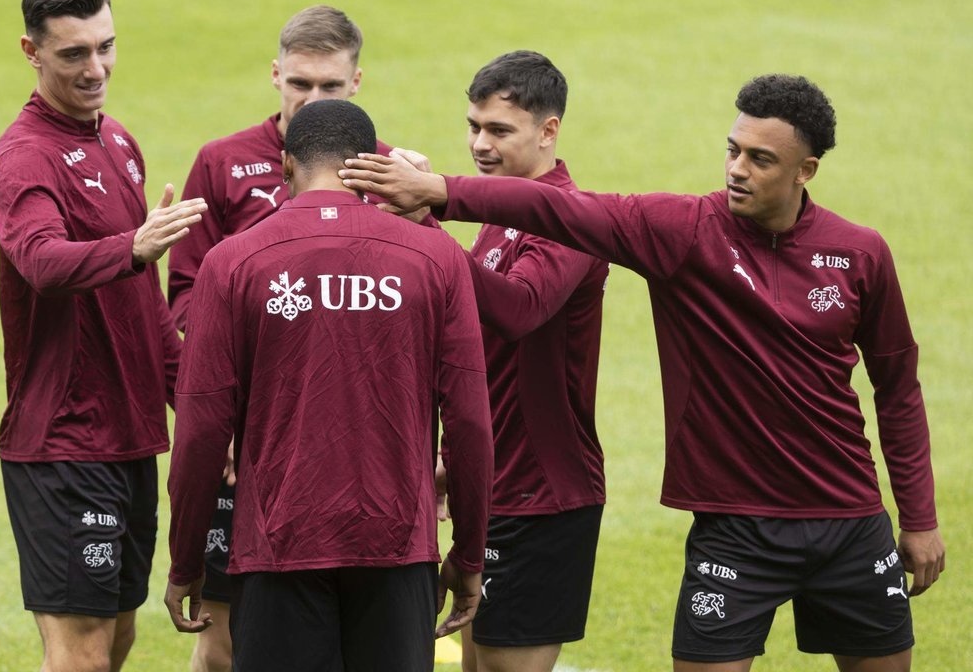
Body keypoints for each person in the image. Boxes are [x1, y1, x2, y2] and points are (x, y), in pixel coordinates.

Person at [340, 74, 946, 672]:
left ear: (805, 170)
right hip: (735, 527)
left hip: (849, 519)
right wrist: (441, 191)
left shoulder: (861, 254)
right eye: (732, 150)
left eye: (761, 160)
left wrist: (918, 519)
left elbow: (897, 390)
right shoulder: (684, 232)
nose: (737, 169)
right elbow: (560, 207)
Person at [164, 99, 494, 672]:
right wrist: (467, 553)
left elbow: (200, 431)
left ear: (286, 167)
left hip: (274, 549)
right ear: (368, 166)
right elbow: (468, 420)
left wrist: (185, 560)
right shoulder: (438, 257)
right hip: (397, 548)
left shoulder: (231, 263)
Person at [0, 0, 207, 672]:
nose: (96, 68)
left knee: (115, 640)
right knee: (80, 656)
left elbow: (142, 313)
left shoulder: (119, 145)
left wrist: (202, 411)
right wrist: (135, 245)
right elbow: (42, 262)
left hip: (130, 439)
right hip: (63, 442)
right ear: (32, 51)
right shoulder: (25, 157)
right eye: (73, 54)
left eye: (105, 46)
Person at [404, 51, 608, 672]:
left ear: (549, 131)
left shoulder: (571, 218)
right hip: (495, 487)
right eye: (473, 127)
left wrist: (428, 226)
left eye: (498, 131)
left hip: (545, 496)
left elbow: (519, 309)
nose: (479, 145)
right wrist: (453, 461)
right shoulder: (499, 215)